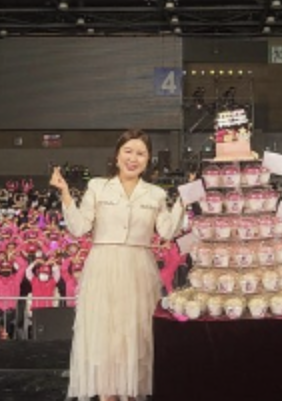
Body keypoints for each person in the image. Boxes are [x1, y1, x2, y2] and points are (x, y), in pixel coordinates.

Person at [52, 129, 188, 401]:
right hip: (103, 267)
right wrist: (65, 193)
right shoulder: (98, 187)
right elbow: (78, 228)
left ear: (148, 160)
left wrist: (184, 200)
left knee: (135, 333)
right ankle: (107, 394)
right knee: (105, 333)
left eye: (140, 154)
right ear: (116, 156)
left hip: (139, 269)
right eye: (128, 151)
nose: (133, 158)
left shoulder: (155, 194)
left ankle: (131, 392)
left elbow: (168, 231)